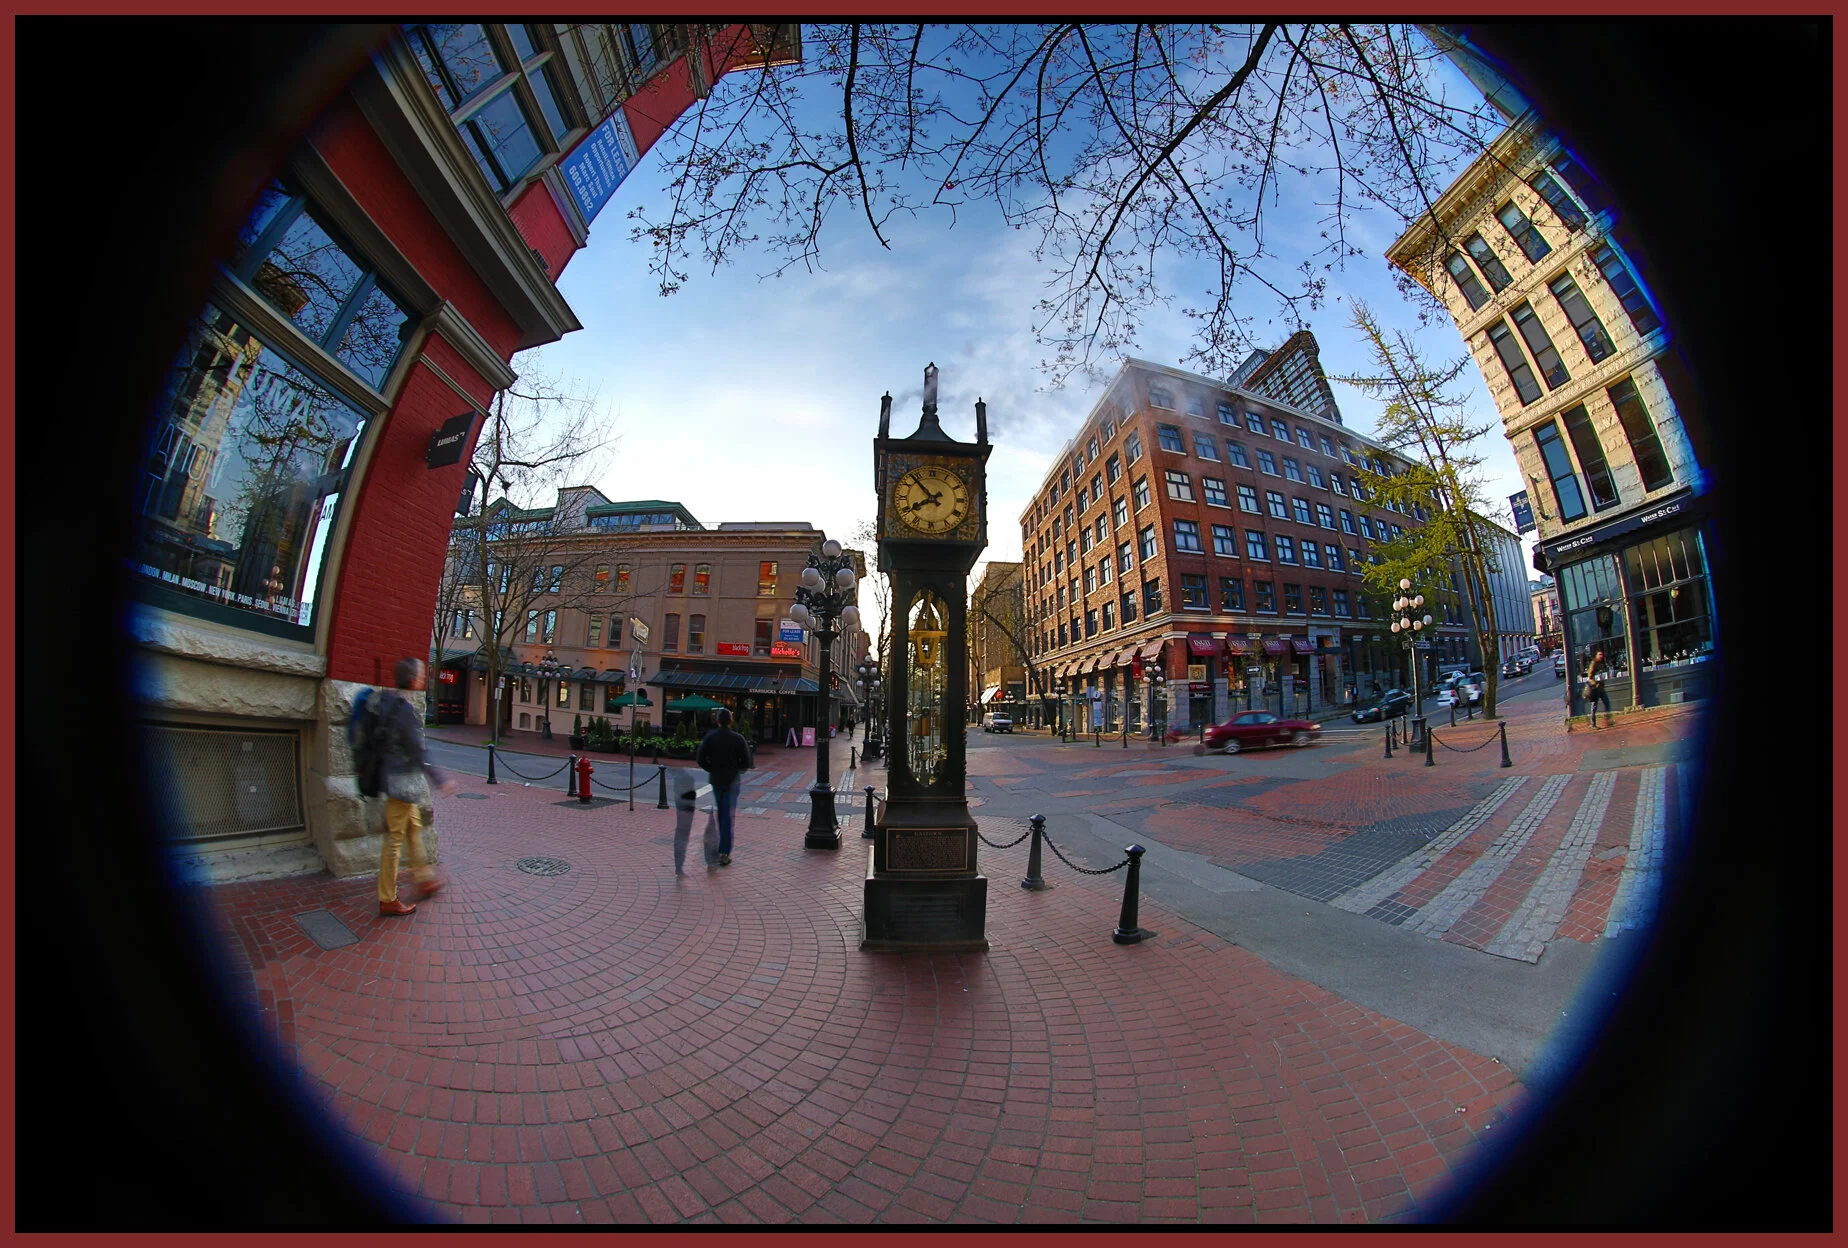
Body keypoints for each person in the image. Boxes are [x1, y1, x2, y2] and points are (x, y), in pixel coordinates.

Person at [374, 657, 456, 916]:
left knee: (414, 829)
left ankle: (424, 878)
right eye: (422, 674)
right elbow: (419, 751)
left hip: (395, 781)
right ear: (413, 679)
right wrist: (441, 780)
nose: (425, 677)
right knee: (395, 841)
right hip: (402, 784)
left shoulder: (390, 702)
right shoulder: (405, 712)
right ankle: (387, 897)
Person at [695, 707, 751, 866]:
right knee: (728, 814)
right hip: (732, 779)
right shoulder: (738, 738)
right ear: (731, 721)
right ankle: (724, 851)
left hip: (717, 778)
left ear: (718, 721)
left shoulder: (711, 738)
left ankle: (721, 846)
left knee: (722, 811)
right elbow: (746, 761)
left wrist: (711, 768)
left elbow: (700, 758)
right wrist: (737, 769)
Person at [669, 766, 702, 875]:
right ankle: (679, 864)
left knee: (682, 832)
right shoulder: (685, 777)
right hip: (686, 803)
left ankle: (679, 864)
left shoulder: (681, 776)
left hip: (684, 802)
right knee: (683, 833)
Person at [1583, 647, 1613, 728]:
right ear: (1596, 655)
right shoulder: (1594, 663)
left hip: (1601, 688)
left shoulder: (1602, 663)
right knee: (1594, 707)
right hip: (1595, 689)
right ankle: (1593, 724)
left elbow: (1602, 673)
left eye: (1602, 654)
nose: (1601, 656)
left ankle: (1608, 721)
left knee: (1607, 703)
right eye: (1599, 654)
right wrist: (1595, 683)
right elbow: (1590, 676)